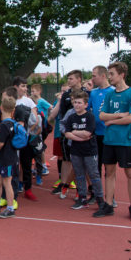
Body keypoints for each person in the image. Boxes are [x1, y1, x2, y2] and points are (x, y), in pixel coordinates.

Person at [96, 62, 131, 221]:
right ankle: (108, 205)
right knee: (109, 173)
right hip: (109, 140)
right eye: (109, 74)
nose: (109, 77)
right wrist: (120, 115)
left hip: (126, 141)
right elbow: (101, 116)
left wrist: (112, 121)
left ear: (121, 75)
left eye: (112, 74)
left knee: (130, 173)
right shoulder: (109, 95)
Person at [49, 70, 88, 199]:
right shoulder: (66, 95)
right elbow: (62, 115)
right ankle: (63, 184)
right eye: (68, 79)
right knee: (66, 160)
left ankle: (81, 188)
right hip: (67, 133)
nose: (69, 81)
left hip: (82, 134)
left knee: (80, 162)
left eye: (71, 78)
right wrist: (65, 131)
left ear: (79, 79)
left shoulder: (87, 93)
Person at [63, 91, 104, 210]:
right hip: (76, 151)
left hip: (89, 151)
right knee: (79, 174)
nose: (77, 105)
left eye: (79, 103)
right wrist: (79, 137)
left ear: (86, 104)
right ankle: (82, 198)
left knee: (93, 174)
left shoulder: (90, 116)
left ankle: (100, 198)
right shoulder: (71, 117)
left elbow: (88, 133)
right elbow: (67, 134)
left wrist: (75, 132)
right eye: (75, 102)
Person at [89, 65, 114, 204]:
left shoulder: (113, 91)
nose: (92, 78)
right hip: (95, 135)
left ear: (103, 76)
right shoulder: (93, 93)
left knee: (109, 168)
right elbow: (87, 109)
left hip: (109, 135)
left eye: (94, 76)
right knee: (95, 167)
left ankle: (111, 196)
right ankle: (95, 194)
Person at [12, 77, 40, 201]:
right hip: (12, 139)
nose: (25, 88)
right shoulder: (10, 100)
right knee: (13, 163)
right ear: (16, 87)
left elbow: (35, 119)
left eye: (26, 86)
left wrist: (25, 133)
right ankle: (13, 187)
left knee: (26, 164)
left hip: (25, 139)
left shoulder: (28, 101)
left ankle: (27, 189)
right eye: (23, 86)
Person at [30, 83, 52, 176]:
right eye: (31, 91)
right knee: (35, 146)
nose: (32, 93)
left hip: (41, 127)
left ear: (39, 91)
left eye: (33, 91)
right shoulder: (32, 101)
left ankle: (43, 166)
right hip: (35, 127)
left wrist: (47, 118)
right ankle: (37, 166)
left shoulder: (41, 101)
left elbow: (51, 107)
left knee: (40, 146)